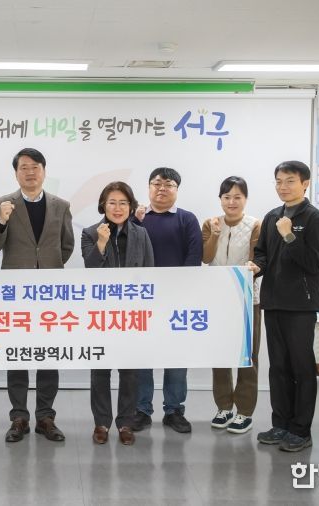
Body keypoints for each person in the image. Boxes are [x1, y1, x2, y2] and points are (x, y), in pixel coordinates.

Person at [0, 147, 75, 442]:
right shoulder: (2, 204)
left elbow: (66, 246)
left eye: (35, 166)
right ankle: (19, 417)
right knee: (17, 354)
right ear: (16, 173)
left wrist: (47, 267)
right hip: (16, 293)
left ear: (44, 171)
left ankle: (46, 417)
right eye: (23, 167)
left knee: (49, 354)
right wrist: (2, 222)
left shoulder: (61, 205)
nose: (30, 172)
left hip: (51, 293)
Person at [248, 160, 319, 452]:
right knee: (279, 367)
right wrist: (256, 266)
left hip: (301, 305)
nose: (283, 187)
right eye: (279, 181)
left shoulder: (316, 219)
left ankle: (301, 430)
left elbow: (314, 263)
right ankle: (281, 424)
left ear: (305, 184)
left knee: (301, 368)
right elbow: (262, 254)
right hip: (273, 301)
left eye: (290, 181)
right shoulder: (273, 216)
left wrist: (289, 235)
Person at [82, 181, 154, 446]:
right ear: (103, 205)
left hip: (132, 312)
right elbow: (90, 268)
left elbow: (150, 271)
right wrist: (101, 242)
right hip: (101, 313)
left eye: (123, 203)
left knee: (130, 371)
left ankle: (125, 422)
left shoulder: (141, 234)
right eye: (112, 202)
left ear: (131, 206)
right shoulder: (90, 232)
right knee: (100, 370)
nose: (118, 208)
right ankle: (101, 422)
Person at [132, 167, 202, 434]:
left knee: (176, 357)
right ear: (149, 187)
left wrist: (178, 291)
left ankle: (174, 411)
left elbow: (194, 256)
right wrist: (135, 221)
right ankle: (141, 410)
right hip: (142, 300)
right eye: (156, 183)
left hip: (176, 300)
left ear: (177, 189)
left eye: (168, 184)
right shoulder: (137, 217)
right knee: (143, 356)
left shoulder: (186, 219)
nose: (162, 188)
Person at [202, 176, 261, 434]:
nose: (232, 202)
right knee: (220, 353)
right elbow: (205, 257)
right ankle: (224, 407)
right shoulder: (210, 223)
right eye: (227, 197)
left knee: (247, 355)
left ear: (245, 199)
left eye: (237, 197)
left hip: (247, 298)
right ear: (220, 199)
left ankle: (245, 411)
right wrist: (215, 234)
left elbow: (255, 260)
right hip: (217, 298)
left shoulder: (255, 225)